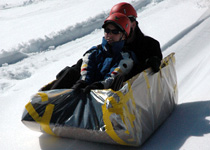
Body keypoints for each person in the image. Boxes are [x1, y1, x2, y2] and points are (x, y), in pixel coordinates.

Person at [72, 13, 134, 93]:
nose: (110, 35)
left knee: (120, 78)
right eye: (107, 31)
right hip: (86, 94)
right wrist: (84, 82)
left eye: (115, 31)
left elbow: (114, 75)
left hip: (106, 99)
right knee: (69, 72)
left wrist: (100, 85)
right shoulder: (94, 52)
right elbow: (87, 69)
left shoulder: (126, 58)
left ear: (124, 36)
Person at [109, 2, 163, 80]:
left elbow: (157, 79)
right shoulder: (109, 47)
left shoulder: (150, 45)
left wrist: (152, 63)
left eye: (122, 23)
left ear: (133, 24)